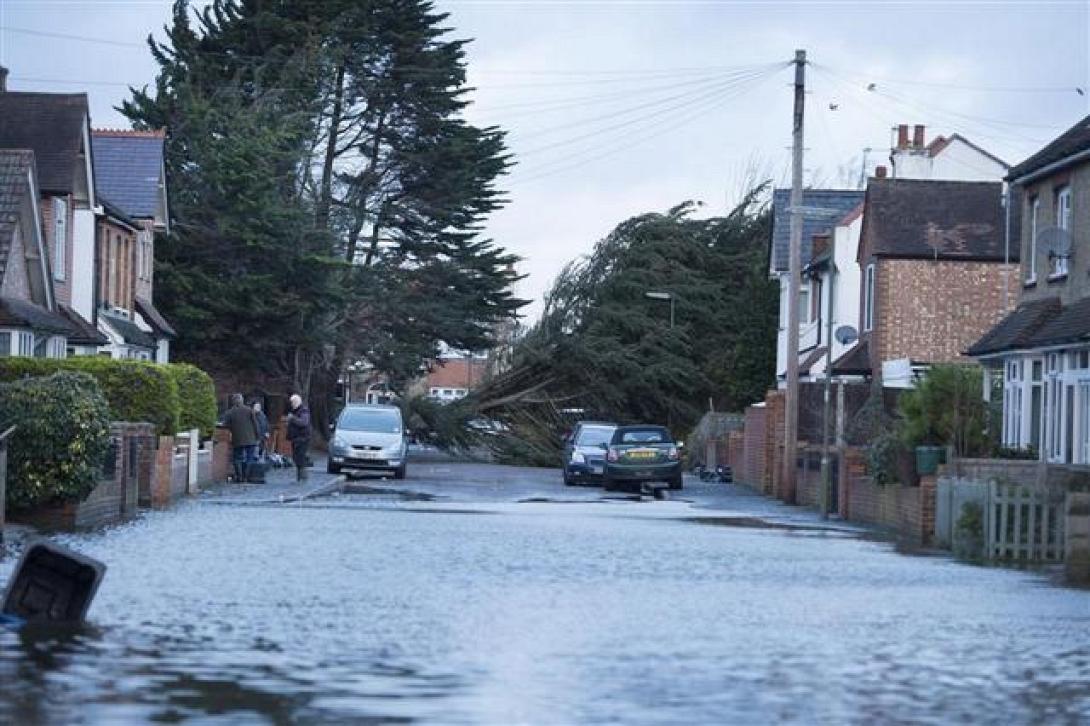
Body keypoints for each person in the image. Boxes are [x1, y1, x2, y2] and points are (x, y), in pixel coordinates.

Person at [223, 393, 258, 482]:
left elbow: (226, 425)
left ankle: (239, 476)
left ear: (233, 402)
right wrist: (257, 436)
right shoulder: (249, 410)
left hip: (237, 439)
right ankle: (246, 477)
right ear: (242, 400)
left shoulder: (229, 413)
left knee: (237, 458)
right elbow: (255, 424)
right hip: (250, 438)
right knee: (249, 458)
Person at [286, 393, 311, 482]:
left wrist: (292, 418)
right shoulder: (295, 411)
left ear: (297, 402)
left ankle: (303, 478)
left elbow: (304, 423)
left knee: (301, 458)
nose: (291, 404)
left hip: (302, 439)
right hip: (296, 439)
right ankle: (300, 478)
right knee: (296, 458)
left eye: (292, 402)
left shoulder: (303, 411)